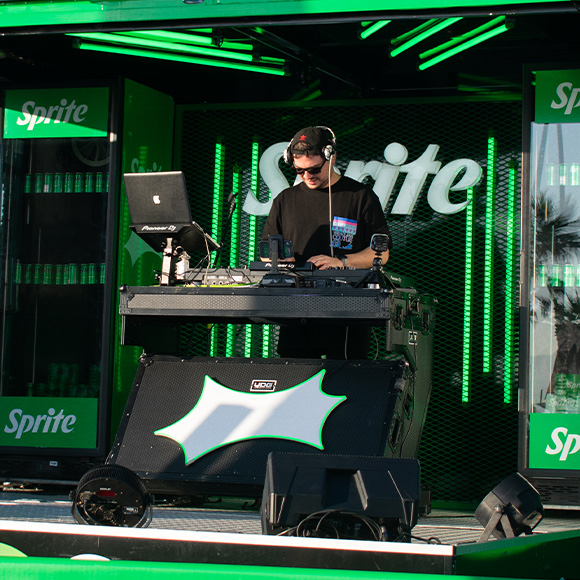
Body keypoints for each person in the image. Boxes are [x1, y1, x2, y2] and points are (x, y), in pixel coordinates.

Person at [261, 125, 392, 359]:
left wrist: (340, 261)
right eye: (299, 171)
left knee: (347, 384)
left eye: (314, 169)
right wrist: (283, 262)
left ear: (332, 157)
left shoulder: (361, 197)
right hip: (296, 314)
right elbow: (266, 250)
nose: (307, 176)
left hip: (348, 316)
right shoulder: (285, 200)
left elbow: (381, 253)